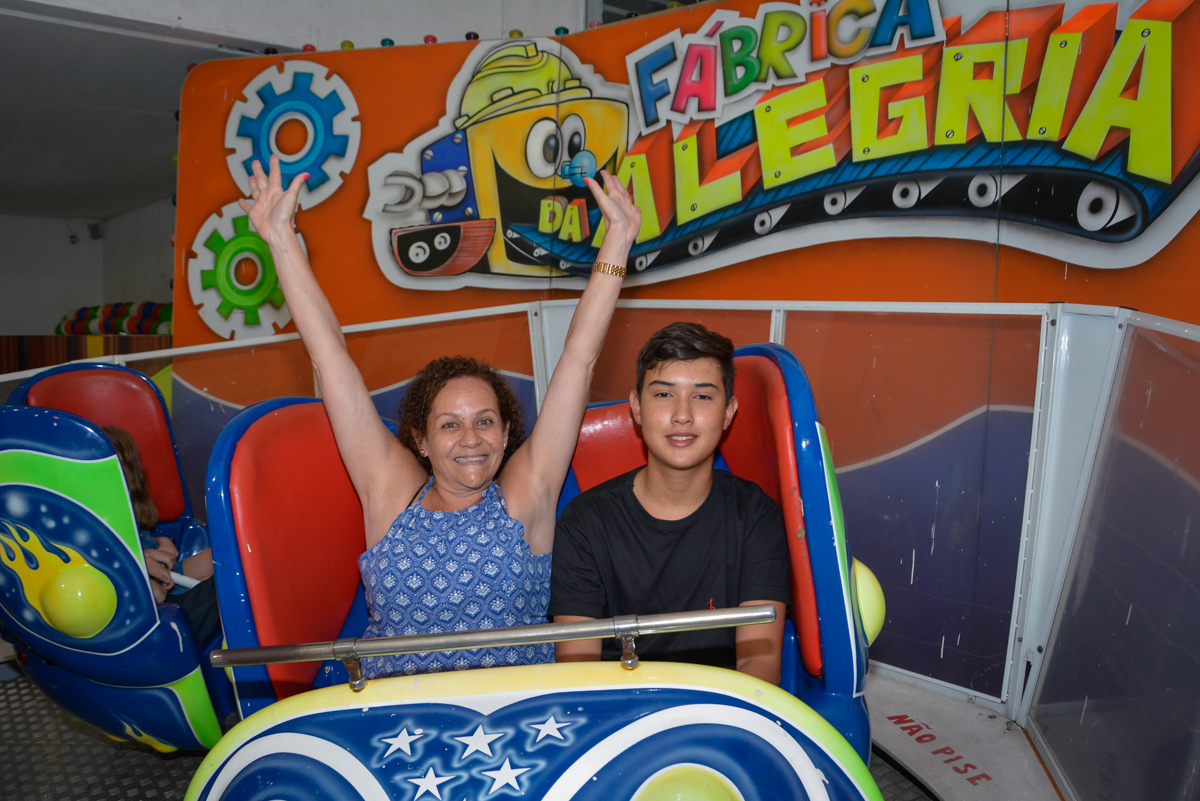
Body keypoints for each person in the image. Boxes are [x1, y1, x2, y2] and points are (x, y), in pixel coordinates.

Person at [241, 155, 639, 676]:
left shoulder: (525, 495)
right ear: (421, 441)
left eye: (485, 420)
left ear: (506, 432)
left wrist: (618, 241)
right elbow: (329, 355)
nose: (470, 437)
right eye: (449, 424)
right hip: (396, 725)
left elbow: (579, 360)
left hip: (517, 725)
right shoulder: (390, 493)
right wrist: (280, 238)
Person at [548, 323, 790, 683]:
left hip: (721, 712)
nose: (682, 415)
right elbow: (577, 674)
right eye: (664, 395)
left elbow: (759, 671)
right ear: (636, 407)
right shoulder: (585, 522)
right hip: (617, 711)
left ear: (729, 412)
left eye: (703, 396)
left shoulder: (756, 517)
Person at [103, 426, 220, 643]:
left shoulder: (124, 521)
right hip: (151, 624)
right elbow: (156, 594)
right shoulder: (88, 532)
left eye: (120, 470)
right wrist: (134, 566)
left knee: (234, 553)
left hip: (167, 585)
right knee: (232, 585)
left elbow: (165, 576)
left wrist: (159, 544)